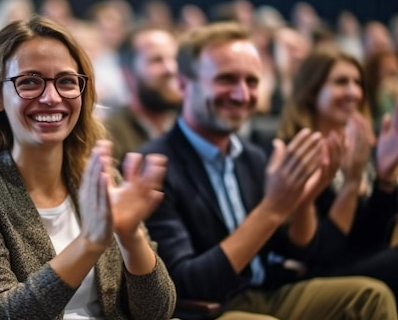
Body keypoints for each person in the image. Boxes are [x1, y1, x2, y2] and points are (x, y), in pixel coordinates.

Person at [141, 22, 398, 319]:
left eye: (252, 82)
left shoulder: (251, 156)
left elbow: (297, 250)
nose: (242, 94)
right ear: (184, 84)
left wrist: (302, 201)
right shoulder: (155, 165)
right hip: (215, 308)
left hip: (268, 291)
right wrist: (274, 208)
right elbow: (187, 282)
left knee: (371, 297)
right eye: (227, 79)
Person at [0, 17, 176, 320]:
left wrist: (131, 237)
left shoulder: (100, 177)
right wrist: (89, 243)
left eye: (65, 81)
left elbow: (158, 312)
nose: (51, 98)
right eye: (29, 82)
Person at [277, 48, 398, 298]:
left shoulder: (357, 149)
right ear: (311, 92)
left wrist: (385, 179)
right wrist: (352, 185)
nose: (353, 92)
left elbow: (370, 241)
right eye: (341, 82)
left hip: (353, 267)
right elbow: (322, 255)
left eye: (357, 82)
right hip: (309, 280)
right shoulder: (296, 153)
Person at [104, 26, 182, 163]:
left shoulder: (190, 126)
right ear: (127, 74)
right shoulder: (109, 137)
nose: (171, 68)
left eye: (175, 58)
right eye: (156, 60)